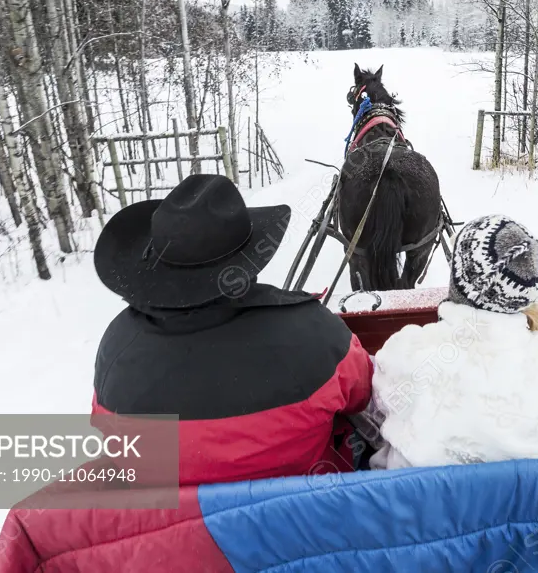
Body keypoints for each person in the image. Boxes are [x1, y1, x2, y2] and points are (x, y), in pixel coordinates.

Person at [91, 173, 373, 485]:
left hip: (178, 526)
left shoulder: (116, 349)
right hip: (310, 510)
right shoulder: (316, 331)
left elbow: (111, 441)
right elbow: (362, 393)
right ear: (249, 256)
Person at [365, 214, 538, 470]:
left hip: (414, 501)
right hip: (519, 501)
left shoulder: (408, 350)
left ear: (458, 281)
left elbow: (377, 404)